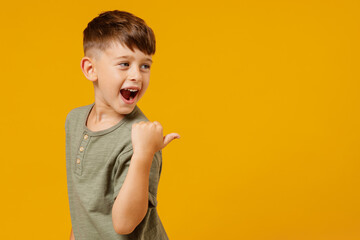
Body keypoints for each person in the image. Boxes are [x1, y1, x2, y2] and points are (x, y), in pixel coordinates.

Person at [65, 10, 180, 240]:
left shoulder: (141, 140)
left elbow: (124, 223)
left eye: (145, 66)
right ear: (90, 69)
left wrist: (144, 154)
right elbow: (84, 205)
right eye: (125, 64)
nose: (137, 75)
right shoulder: (75, 120)